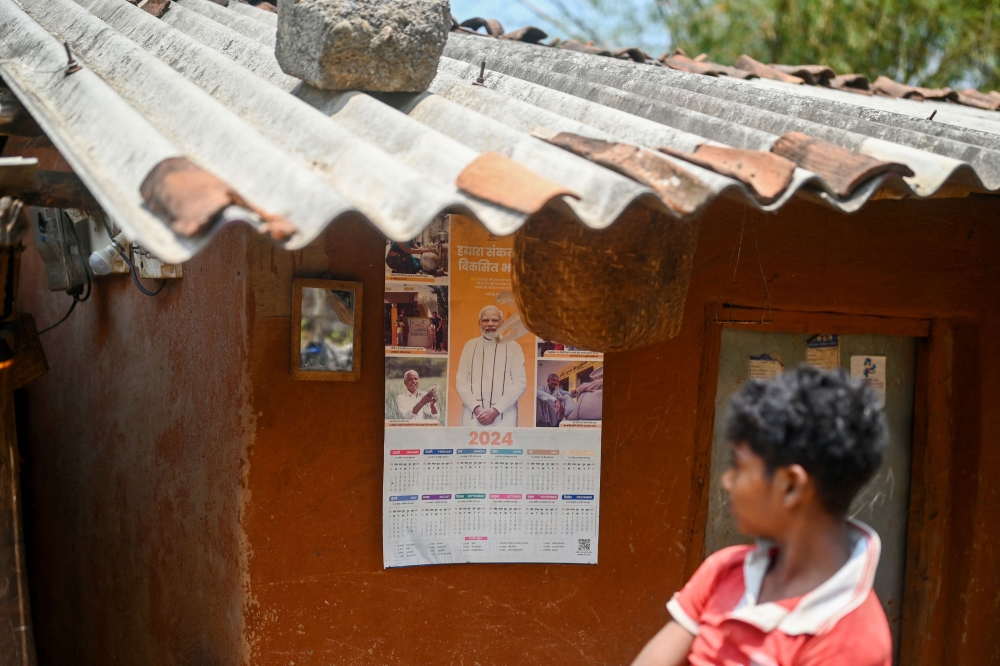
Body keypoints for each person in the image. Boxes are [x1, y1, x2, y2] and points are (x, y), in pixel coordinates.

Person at [631, 365, 891, 666]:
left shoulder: (852, 642)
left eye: (738, 466)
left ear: (790, 487)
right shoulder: (726, 570)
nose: (727, 481)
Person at [455, 305, 526, 427]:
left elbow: (520, 383)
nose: (490, 324)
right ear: (479, 323)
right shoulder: (470, 346)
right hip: (473, 416)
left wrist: (495, 410)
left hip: (504, 417)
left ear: (502, 323)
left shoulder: (514, 347)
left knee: (505, 447)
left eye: (495, 320)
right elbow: (460, 381)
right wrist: (477, 409)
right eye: (485, 320)